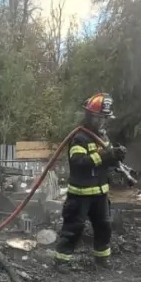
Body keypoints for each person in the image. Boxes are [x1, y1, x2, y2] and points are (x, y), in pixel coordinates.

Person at [54, 93, 126, 267]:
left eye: (105, 118)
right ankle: (61, 261)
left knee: (104, 227)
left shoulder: (104, 137)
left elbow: (107, 161)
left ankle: (102, 259)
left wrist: (117, 157)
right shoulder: (80, 138)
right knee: (73, 229)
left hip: (100, 194)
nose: (102, 122)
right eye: (99, 118)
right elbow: (79, 162)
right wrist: (104, 155)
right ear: (89, 116)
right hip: (80, 195)